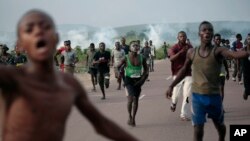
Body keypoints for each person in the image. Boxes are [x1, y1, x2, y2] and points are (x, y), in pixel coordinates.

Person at [0, 10, 139, 141]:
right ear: (21, 44)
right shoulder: (12, 78)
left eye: (45, 27)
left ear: (56, 38)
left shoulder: (69, 84)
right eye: (29, 29)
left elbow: (102, 124)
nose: (38, 31)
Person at [166, 21, 250, 141]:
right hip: (198, 98)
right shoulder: (192, 52)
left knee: (220, 126)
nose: (207, 32)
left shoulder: (218, 50)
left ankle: (221, 138)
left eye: (210, 30)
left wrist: (247, 52)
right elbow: (184, 70)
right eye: (204, 30)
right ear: (199, 33)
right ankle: (183, 114)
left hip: (214, 96)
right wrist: (171, 85)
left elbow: (234, 54)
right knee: (198, 129)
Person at [119, 41, 148, 127]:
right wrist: (120, 76)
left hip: (138, 80)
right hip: (129, 80)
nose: (136, 47)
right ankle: (129, 116)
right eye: (133, 45)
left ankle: (134, 118)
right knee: (130, 99)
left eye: (137, 45)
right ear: (130, 48)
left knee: (136, 100)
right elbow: (118, 67)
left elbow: (146, 70)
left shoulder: (142, 57)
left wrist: (143, 79)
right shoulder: (126, 57)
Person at [168, 31, 193, 121]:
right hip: (177, 73)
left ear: (186, 37)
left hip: (188, 74)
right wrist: (181, 52)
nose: (182, 38)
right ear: (178, 38)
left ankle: (183, 113)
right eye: (181, 36)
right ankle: (174, 103)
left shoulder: (190, 47)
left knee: (187, 95)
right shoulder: (174, 47)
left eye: (184, 36)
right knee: (175, 95)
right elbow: (171, 59)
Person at [213, 34, 229, 102]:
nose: (218, 41)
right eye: (217, 39)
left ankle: (220, 106)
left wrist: (227, 72)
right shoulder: (211, 49)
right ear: (214, 40)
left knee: (221, 88)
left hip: (221, 71)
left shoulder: (223, 49)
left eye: (219, 39)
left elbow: (224, 61)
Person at [243, 33, 250, 100]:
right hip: (246, 72)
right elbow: (238, 59)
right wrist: (238, 70)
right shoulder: (243, 50)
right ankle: (246, 92)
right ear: (246, 40)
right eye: (248, 39)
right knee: (248, 89)